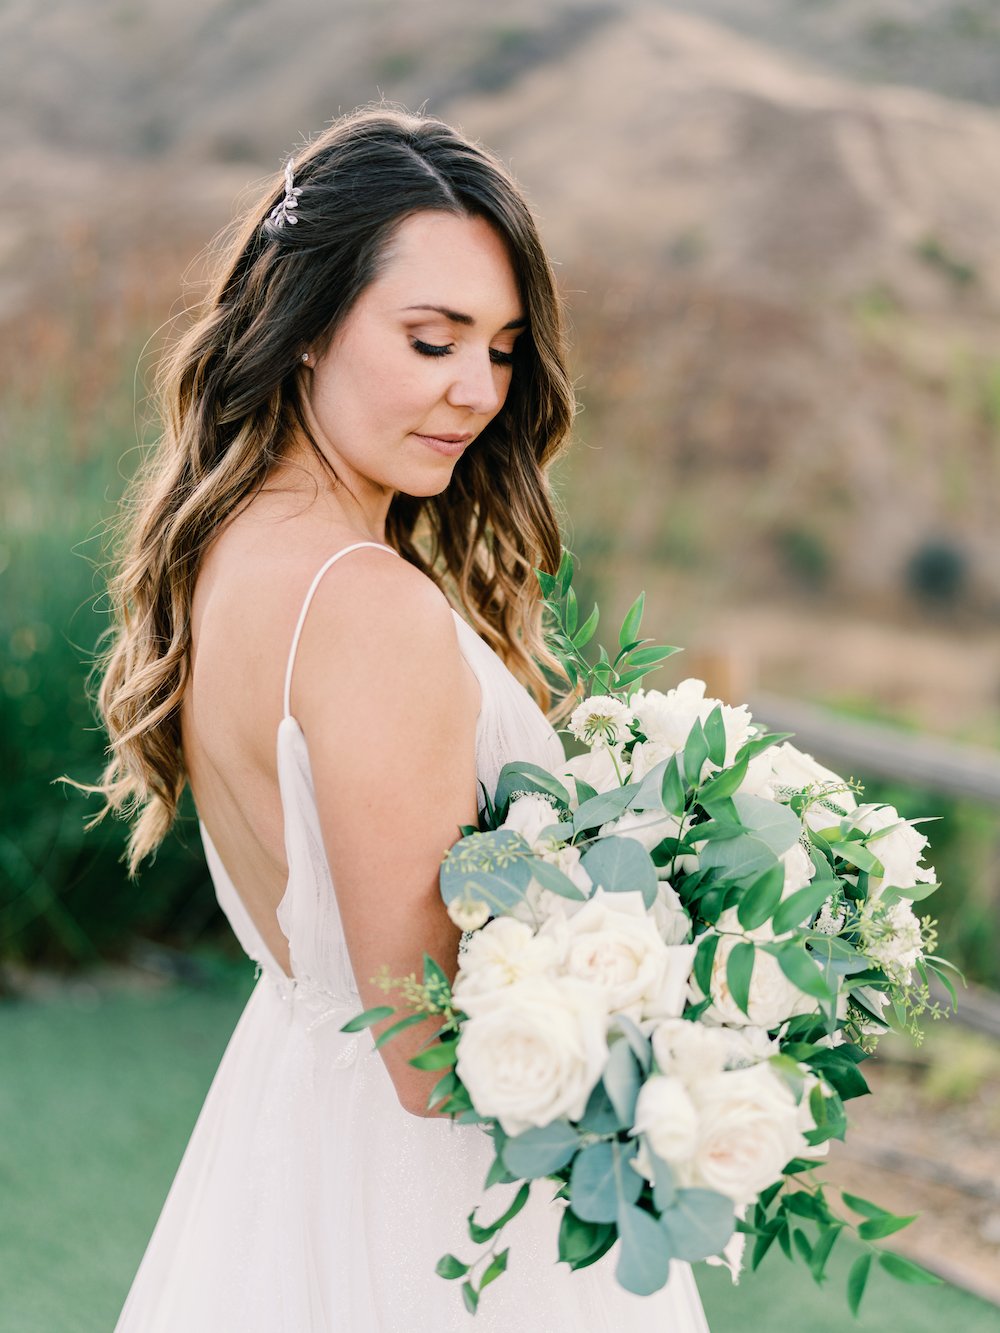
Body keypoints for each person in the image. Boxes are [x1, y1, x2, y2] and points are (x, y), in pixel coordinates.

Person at [96, 107, 710, 1332]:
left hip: (297, 1131)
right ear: (309, 326)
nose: (476, 392)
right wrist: (690, 991)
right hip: (430, 1212)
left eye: (500, 349)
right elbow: (429, 1054)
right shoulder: (365, 605)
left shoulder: (231, 556)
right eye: (431, 340)